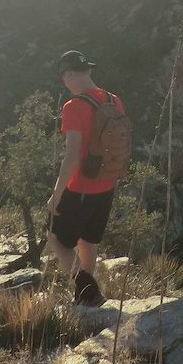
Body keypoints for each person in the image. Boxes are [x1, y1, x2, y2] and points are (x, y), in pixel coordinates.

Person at [47, 50, 123, 306]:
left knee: (57, 238)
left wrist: (57, 194)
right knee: (88, 239)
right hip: (107, 183)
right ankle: (85, 293)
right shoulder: (114, 101)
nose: (65, 84)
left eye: (64, 78)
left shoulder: (74, 106)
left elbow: (73, 156)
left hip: (80, 186)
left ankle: (87, 290)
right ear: (88, 70)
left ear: (69, 74)